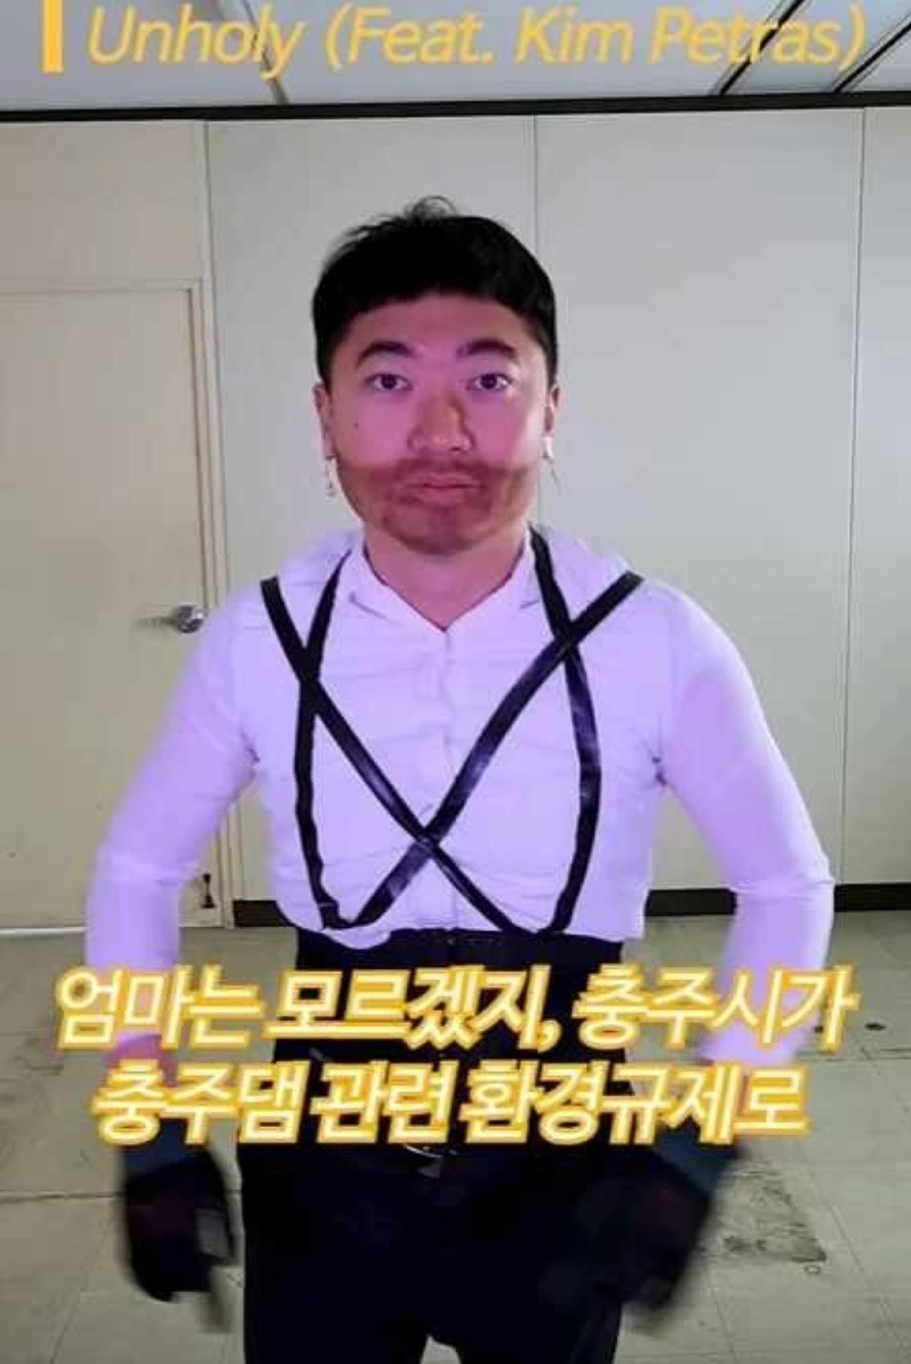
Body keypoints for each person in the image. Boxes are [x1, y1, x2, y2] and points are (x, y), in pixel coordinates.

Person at [82, 196, 835, 1363]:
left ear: (550, 410)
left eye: (488, 380)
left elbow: (786, 885)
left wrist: (703, 1132)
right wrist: (147, 1115)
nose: (439, 431)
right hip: (323, 1149)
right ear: (325, 416)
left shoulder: (653, 637)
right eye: (387, 381)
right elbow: (137, 869)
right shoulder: (256, 639)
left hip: (563, 1152)